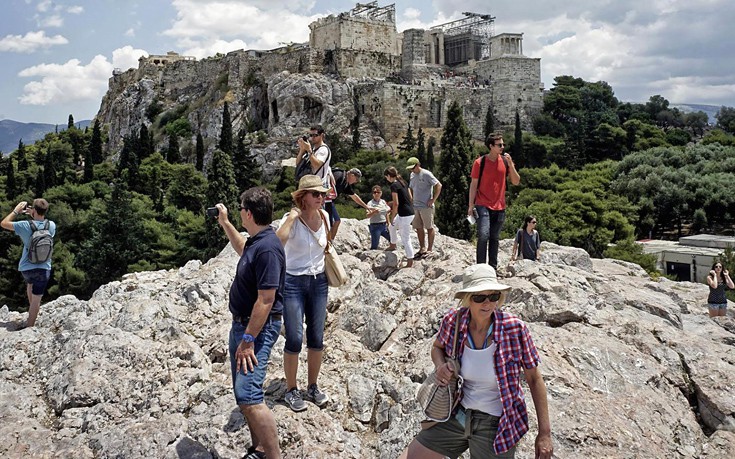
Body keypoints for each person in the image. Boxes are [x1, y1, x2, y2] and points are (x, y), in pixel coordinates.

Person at [401, 264, 553, 459]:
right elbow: (437, 347)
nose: (488, 303)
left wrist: (544, 434)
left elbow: (534, 379)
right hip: (458, 415)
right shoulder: (454, 322)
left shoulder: (514, 329)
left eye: (494, 296)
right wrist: (440, 367)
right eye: (479, 297)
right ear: (467, 299)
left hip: (497, 425)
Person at [213, 187, 284, 459]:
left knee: (249, 394)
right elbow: (243, 248)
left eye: (241, 208)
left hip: (256, 330)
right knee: (243, 396)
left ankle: (273, 456)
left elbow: (266, 300)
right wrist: (226, 222)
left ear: (249, 213)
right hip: (243, 325)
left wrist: (248, 340)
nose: (239, 211)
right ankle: (260, 449)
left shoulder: (267, 248)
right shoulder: (258, 240)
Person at [276, 175, 331, 412]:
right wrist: (291, 218)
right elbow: (278, 241)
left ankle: (312, 386)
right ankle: (291, 389)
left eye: (323, 194)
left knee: (317, 336)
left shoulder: (325, 217)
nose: (321, 198)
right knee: (295, 337)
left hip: (319, 281)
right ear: (303, 198)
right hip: (293, 281)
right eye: (316, 194)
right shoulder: (292, 220)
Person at [467, 133, 521, 268]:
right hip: (482, 204)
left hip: (500, 206)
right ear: (491, 146)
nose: (502, 147)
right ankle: (480, 267)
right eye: (499, 145)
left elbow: (516, 181)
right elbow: (473, 184)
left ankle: (492, 267)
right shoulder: (480, 162)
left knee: (494, 238)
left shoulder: (505, 161)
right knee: (484, 235)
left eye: (503, 144)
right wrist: (470, 205)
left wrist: (511, 164)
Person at [1, 199, 56, 328]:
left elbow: (4, 223)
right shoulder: (52, 225)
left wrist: (16, 211)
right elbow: (40, 225)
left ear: (34, 210)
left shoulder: (25, 225)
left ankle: (30, 321)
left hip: (27, 267)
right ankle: (31, 323)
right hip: (44, 268)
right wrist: (34, 213)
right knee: (37, 298)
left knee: (30, 284)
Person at [407, 156, 442, 259]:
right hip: (416, 205)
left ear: (418, 165)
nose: (411, 170)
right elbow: (410, 187)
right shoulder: (412, 175)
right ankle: (422, 247)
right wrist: (411, 197)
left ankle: (430, 249)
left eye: (413, 167)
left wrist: (433, 199)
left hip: (426, 206)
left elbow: (438, 185)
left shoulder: (426, 174)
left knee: (429, 227)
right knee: (418, 227)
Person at [324, 167, 370, 239]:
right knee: (329, 223)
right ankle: (326, 243)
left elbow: (354, 197)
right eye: (356, 179)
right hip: (325, 200)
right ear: (352, 175)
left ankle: (330, 242)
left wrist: (366, 207)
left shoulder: (345, 183)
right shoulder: (339, 176)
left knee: (337, 221)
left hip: (330, 201)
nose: (356, 182)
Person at [384, 166, 415, 268]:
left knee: (405, 238)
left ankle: (410, 261)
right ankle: (393, 244)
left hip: (404, 214)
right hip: (409, 211)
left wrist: (392, 216)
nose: (386, 179)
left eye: (386, 177)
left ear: (389, 176)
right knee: (391, 227)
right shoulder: (403, 182)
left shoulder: (394, 185)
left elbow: (396, 203)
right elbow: (410, 197)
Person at [366, 185, 391, 250]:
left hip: (384, 225)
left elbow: (387, 213)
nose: (376, 194)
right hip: (375, 226)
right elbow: (367, 215)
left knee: (392, 239)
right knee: (374, 245)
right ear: (372, 194)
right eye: (375, 192)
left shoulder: (383, 202)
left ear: (381, 193)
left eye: (378, 192)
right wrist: (374, 212)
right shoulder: (370, 203)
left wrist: (388, 223)